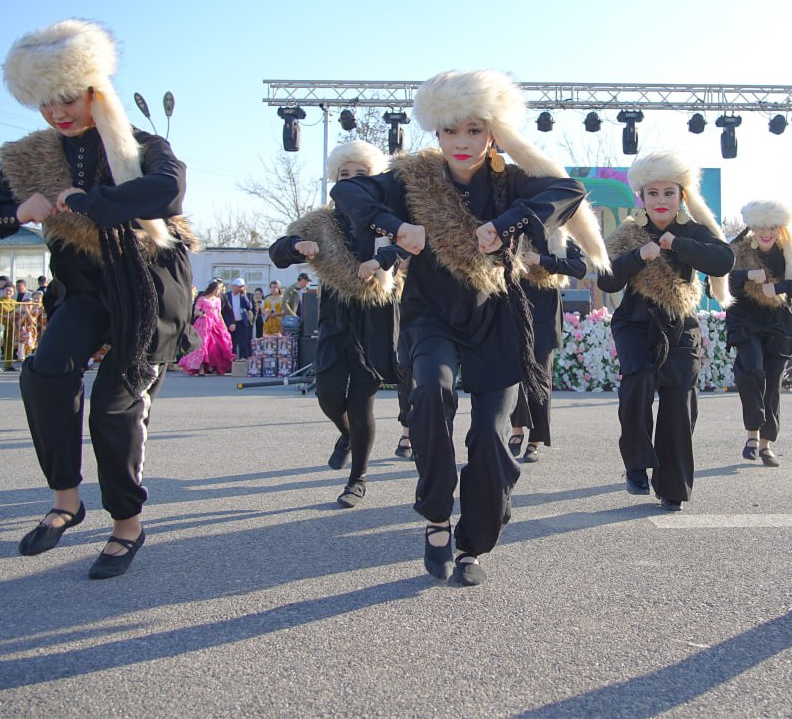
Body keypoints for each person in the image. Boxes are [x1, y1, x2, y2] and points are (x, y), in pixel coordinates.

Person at [0, 18, 197, 580]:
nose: (57, 112)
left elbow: (168, 191)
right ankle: (66, 501)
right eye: (44, 101)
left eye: (67, 98)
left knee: (113, 407)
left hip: (149, 289)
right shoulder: (32, 157)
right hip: (82, 289)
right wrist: (15, 211)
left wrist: (88, 200)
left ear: (94, 90)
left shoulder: (141, 144)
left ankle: (127, 524)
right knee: (44, 374)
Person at [331, 69, 608, 586]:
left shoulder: (511, 181)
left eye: (474, 130)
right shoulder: (412, 179)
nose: (462, 141)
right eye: (450, 130)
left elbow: (569, 191)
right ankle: (437, 514)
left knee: (490, 434)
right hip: (431, 315)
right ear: (436, 133)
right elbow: (348, 194)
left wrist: (505, 224)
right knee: (432, 393)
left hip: (496, 316)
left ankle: (472, 543)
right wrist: (396, 226)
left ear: (493, 131)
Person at [599, 150, 735, 512]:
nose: (661, 200)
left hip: (680, 325)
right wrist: (637, 257)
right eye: (653, 193)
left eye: (669, 193)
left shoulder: (693, 231)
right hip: (635, 324)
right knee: (639, 382)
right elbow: (606, 280)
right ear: (641, 196)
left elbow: (724, 260)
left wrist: (677, 244)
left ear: (681, 195)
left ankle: (672, 486)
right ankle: (636, 465)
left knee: (678, 401)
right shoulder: (629, 232)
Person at [270, 140, 401, 508]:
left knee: (362, 402)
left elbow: (410, 246)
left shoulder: (389, 218)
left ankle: (357, 479)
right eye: (345, 173)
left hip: (374, 315)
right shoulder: (321, 221)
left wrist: (384, 259)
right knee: (327, 394)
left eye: (362, 173)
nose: (352, 179)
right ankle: (345, 435)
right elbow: (278, 250)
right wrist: (297, 246)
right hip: (335, 315)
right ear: (335, 178)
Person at [725, 199, 792, 468]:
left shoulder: (791, 252)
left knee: (772, 382)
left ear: (781, 228)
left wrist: (782, 288)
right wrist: (747, 275)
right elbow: (716, 284)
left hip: (778, 325)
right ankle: (752, 434)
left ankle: (765, 443)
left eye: (772, 227)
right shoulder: (738, 250)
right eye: (761, 227)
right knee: (751, 370)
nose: (766, 232)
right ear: (752, 227)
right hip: (745, 321)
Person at [508, 237, 589, 463]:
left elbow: (580, 267)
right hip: (511, 306)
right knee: (512, 373)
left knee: (540, 376)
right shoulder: (512, 228)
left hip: (544, 310)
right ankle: (516, 428)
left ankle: (535, 439)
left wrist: (541, 260)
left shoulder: (557, 232)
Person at [178, 279, 235, 375]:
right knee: (203, 345)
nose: (218, 291)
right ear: (212, 288)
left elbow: (219, 314)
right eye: (217, 289)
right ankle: (200, 367)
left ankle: (212, 365)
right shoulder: (202, 299)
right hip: (204, 323)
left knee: (216, 344)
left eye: (220, 289)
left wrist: (224, 326)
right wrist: (201, 314)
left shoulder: (218, 300)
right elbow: (196, 312)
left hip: (215, 323)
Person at [222, 278, 254, 360]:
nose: (239, 289)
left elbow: (249, 307)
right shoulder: (227, 296)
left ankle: (243, 359)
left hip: (242, 322)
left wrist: (244, 296)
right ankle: (231, 359)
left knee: (243, 342)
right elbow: (224, 311)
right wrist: (228, 323)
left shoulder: (244, 296)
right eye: (238, 287)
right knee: (232, 342)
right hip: (231, 323)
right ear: (233, 286)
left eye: (241, 287)